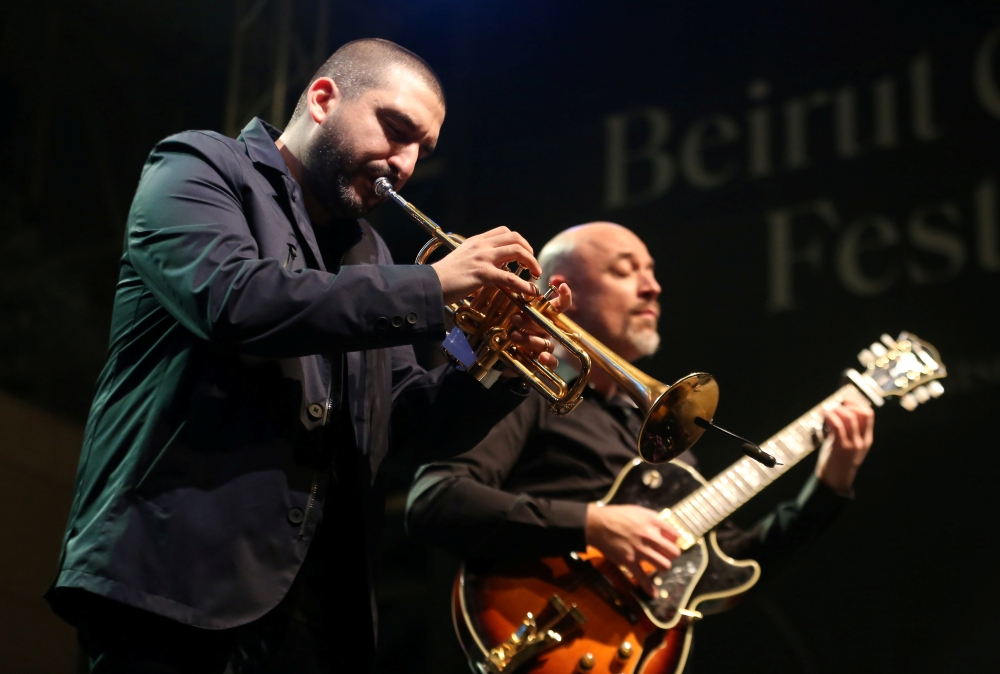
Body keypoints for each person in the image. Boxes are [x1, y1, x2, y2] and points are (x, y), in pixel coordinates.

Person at [46, 38, 569, 673]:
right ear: (323, 99)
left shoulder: (371, 256)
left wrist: (496, 366)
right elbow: (238, 302)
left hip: (318, 620)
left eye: (421, 151)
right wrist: (431, 284)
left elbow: (402, 420)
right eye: (395, 129)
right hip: (173, 588)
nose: (404, 163)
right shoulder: (197, 167)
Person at [406, 222, 874, 665]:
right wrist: (593, 524)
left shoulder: (664, 436)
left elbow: (733, 566)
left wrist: (829, 486)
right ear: (566, 289)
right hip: (539, 631)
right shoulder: (522, 395)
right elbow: (435, 499)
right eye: (625, 270)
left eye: (651, 271)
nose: (653, 287)